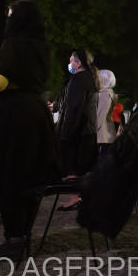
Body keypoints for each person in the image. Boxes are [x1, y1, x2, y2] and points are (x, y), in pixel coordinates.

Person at [0, 0, 62, 260]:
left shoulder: (16, 44)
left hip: (13, 118)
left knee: (10, 177)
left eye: (10, 16)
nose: (8, 20)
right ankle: (20, 236)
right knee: (27, 177)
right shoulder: (41, 47)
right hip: (34, 115)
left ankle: (14, 240)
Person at [53, 49, 99, 210]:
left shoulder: (79, 79)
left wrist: (65, 135)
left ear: (79, 63)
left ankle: (80, 199)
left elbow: (74, 108)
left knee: (74, 171)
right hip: (85, 131)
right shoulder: (87, 78)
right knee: (78, 171)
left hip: (78, 132)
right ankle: (79, 199)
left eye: (72, 60)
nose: (70, 63)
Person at [96, 69, 117, 155]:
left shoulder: (105, 93)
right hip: (107, 133)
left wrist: (92, 130)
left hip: (102, 134)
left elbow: (100, 115)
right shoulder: (110, 92)